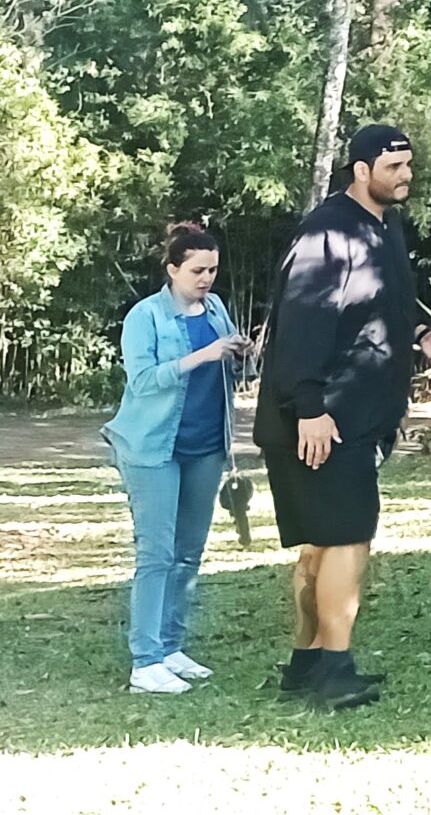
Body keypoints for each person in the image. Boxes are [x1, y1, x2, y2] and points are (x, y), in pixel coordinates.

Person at [255, 124, 431, 710]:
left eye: (409, 166)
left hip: (357, 416)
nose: (406, 176)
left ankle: (306, 666)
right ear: (361, 170)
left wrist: (421, 337)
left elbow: (376, 311)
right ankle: (335, 670)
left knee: (323, 545)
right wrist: (310, 409)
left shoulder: (384, 228)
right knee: (346, 540)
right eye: (394, 167)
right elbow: (302, 324)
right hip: (324, 421)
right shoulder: (328, 233)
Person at [105, 224, 249, 695]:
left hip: (206, 446)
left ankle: (170, 647)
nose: (206, 278)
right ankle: (145, 661)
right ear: (172, 269)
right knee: (157, 554)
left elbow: (224, 369)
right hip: (152, 448)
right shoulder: (144, 316)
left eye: (213, 270)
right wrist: (204, 355)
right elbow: (143, 381)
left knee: (189, 553)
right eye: (197, 270)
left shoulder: (217, 309)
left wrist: (238, 351)